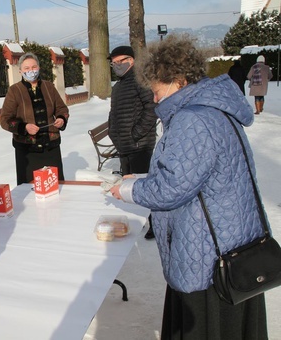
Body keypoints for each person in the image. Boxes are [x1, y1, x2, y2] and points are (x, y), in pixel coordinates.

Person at [110, 35, 269, 339]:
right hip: (231, 244)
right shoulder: (212, 108)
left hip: (210, 257)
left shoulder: (192, 118)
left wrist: (129, 191)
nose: (155, 100)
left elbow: (173, 187)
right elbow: (194, 172)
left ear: (178, 81)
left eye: (156, 91)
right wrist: (141, 178)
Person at [107, 45, 158, 239]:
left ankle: (155, 224)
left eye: (122, 61)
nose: (118, 65)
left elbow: (152, 108)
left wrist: (137, 133)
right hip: (124, 146)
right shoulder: (118, 85)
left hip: (140, 146)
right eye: (114, 63)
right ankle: (137, 221)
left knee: (145, 187)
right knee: (130, 189)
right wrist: (113, 132)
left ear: (132, 61)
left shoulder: (140, 80)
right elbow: (114, 113)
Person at [0, 52, 69, 185]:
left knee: (54, 186)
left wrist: (61, 118)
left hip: (51, 147)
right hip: (27, 151)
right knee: (30, 189)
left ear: (39, 68)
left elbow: (62, 108)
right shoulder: (14, 91)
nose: (31, 71)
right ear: (20, 71)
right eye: (26, 68)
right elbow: (5, 119)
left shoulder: (49, 87)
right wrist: (24, 127)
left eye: (34, 67)